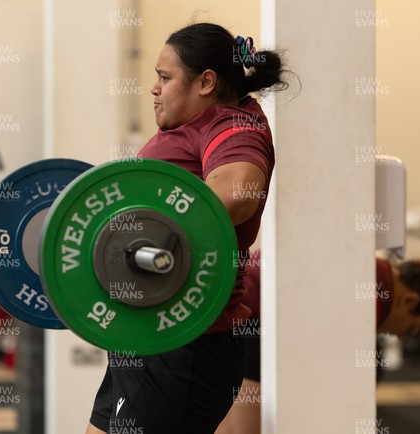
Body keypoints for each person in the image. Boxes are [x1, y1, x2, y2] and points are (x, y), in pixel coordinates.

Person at [86, 23, 288, 434]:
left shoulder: (233, 126)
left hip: (185, 344)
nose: (154, 89)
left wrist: (141, 237)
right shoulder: (198, 126)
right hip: (146, 336)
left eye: (164, 78)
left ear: (206, 82)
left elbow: (237, 194)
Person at [215, 251, 420, 434]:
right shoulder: (369, 296)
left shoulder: (372, 271)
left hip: (243, 305)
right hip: (244, 312)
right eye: (411, 329)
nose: (401, 336)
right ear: (409, 300)